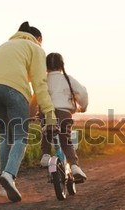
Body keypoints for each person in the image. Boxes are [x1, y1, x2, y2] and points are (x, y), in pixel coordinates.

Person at [0, 21, 58, 202]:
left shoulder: (6, 45)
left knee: (5, 136)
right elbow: (39, 85)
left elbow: (11, 72)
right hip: (13, 89)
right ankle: (9, 175)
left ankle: (3, 187)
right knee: (20, 137)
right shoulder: (36, 48)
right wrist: (49, 113)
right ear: (38, 39)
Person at [39, 52, 88, 182]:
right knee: (66, 141)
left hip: (46, 113)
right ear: (62, 65)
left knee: (46, 133)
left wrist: (31, 113)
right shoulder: (68, 79)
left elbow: (36, 97)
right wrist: (83, 107)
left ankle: (45, 155)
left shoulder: (43, 80)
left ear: (46, 66)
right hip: (64, 113)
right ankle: (75, 167)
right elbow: (82, 93)